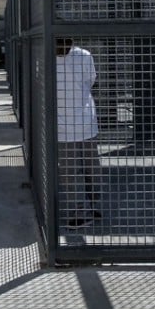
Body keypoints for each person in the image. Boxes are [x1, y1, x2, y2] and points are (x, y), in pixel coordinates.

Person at [55, 37, 101, 229]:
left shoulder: (82, 55)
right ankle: (83, 211)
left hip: (75, 123)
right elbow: (90, 81)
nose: (61, 48)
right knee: (76, 170)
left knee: (84, 169)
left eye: (64, 43)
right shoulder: (84, 56)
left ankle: (91, 208)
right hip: (76, 122)